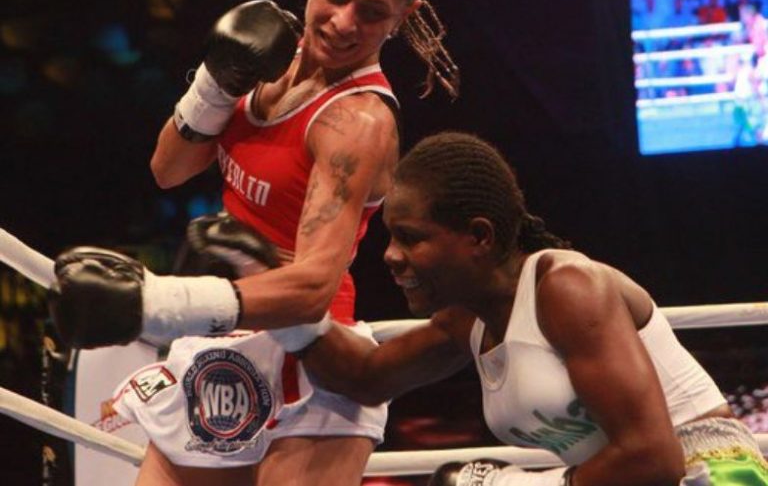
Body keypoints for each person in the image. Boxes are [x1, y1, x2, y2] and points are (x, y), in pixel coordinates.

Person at [49, 0, 459, 486]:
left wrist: (158, 301)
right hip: (226, 332)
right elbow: (168, 168)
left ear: (403, 15)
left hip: (314, 356)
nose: (344, 23)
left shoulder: (357, 122)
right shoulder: (266, 61)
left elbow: (313, 286)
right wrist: (213, 82)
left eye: (371, 13)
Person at [296, 131, 768, 486]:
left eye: (411, 237)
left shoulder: (567, 289)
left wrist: (523, 484)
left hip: (713, 471)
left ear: (479, 236)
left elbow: (652, 455)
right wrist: (268, 293)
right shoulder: (471, 319)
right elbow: (366, 376)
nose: (391, 256)